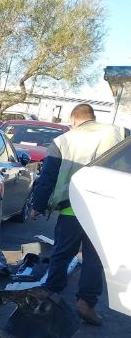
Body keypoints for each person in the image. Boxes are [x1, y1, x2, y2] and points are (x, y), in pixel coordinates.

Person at [29, 103, 126, 326]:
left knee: (62, 254)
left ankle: (51, 295)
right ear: (93, 118)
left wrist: (38, 205)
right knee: (95, 258)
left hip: (72, 208)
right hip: (106, 210)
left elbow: (48, 176)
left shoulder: (64, 140)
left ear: (74, 120)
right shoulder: (119, 133)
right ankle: (86, 303)